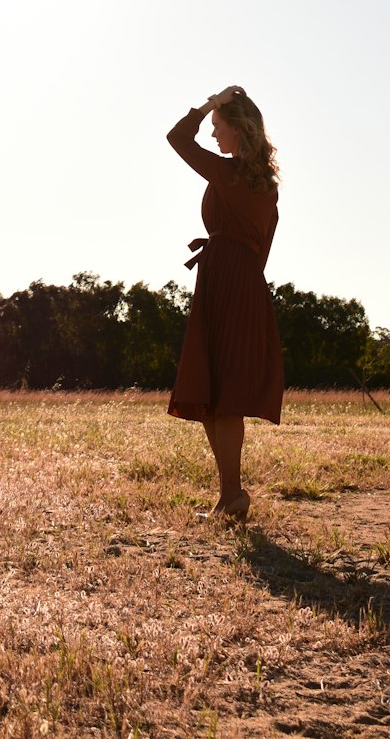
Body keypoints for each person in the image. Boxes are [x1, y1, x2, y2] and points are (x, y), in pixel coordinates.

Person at [167, 85, 284, 521]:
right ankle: (228, 496)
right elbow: (263, 252)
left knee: (222, 393)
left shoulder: (227, 174)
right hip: (244, 282)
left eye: (218, 128)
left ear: (237, 129)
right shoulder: (266, 187)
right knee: (216, 392)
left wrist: (205, 104)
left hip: (226, 282)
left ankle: (232, 495)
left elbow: (177, 139)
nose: (213, 135)